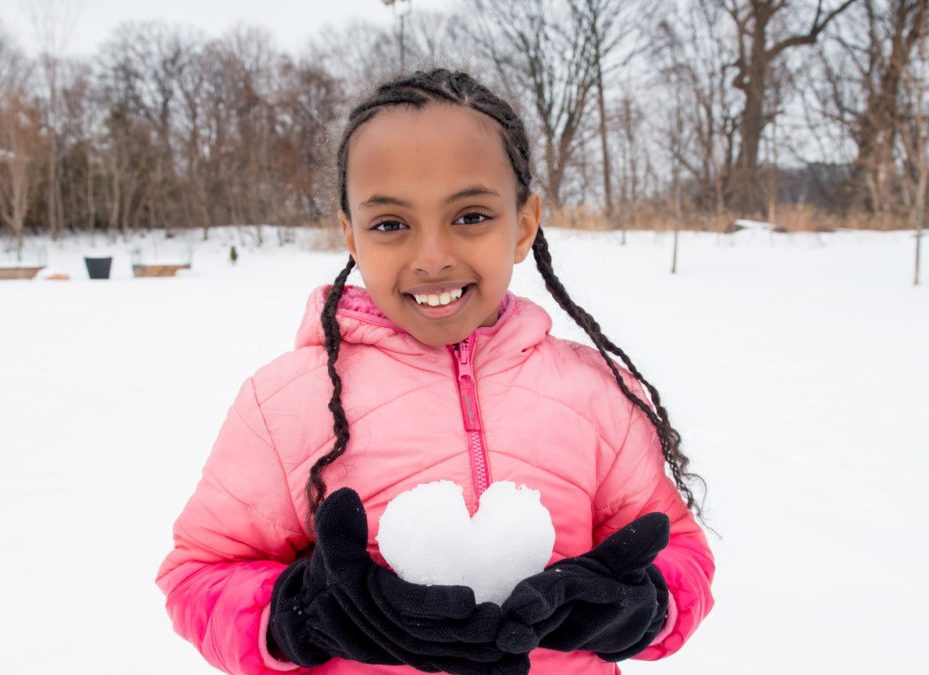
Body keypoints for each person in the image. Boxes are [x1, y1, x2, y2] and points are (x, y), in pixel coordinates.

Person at [156, 68, 715, 675]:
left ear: (524, 224)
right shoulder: (286, 404)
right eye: (390, 224)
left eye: (471, 216)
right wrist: (306, 615)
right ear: (351, 235)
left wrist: (637, 606)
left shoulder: (596, 393)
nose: (432, 258)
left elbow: (679, 552)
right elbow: (198, 574)